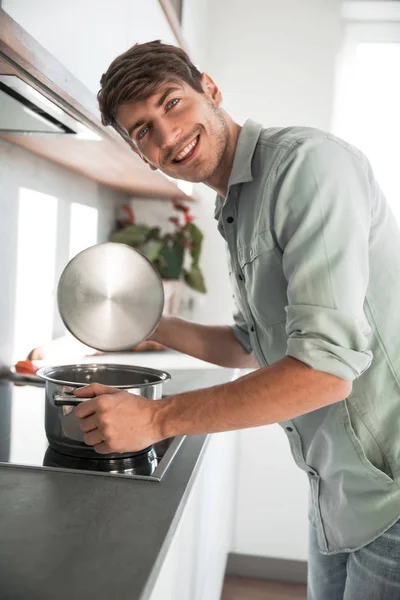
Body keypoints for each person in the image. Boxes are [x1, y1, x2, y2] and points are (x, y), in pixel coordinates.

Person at [33, 41, 400, 598]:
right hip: (342, 496)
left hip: (392, 495)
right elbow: (253, 345)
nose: (166, 135)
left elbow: (324, 371)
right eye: (142, 132)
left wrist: (157, 421)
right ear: (142, 155)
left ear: (210, 89)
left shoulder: (306, 165)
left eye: (172, 103)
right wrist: (146, 322)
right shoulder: (238, 204)